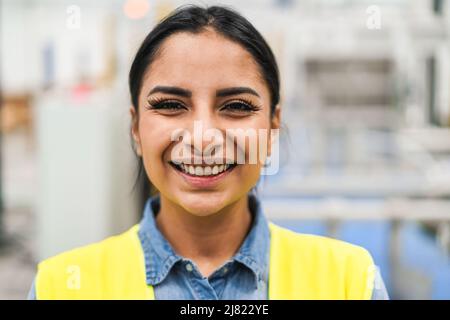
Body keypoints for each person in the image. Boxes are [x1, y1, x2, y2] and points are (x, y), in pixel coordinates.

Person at [28, 5, 388, 300]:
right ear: (136, 128)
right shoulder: (61, 288)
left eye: (236, 106)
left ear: (273, 127)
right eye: (170, 104)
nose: (203, 138)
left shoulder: (348, 282)